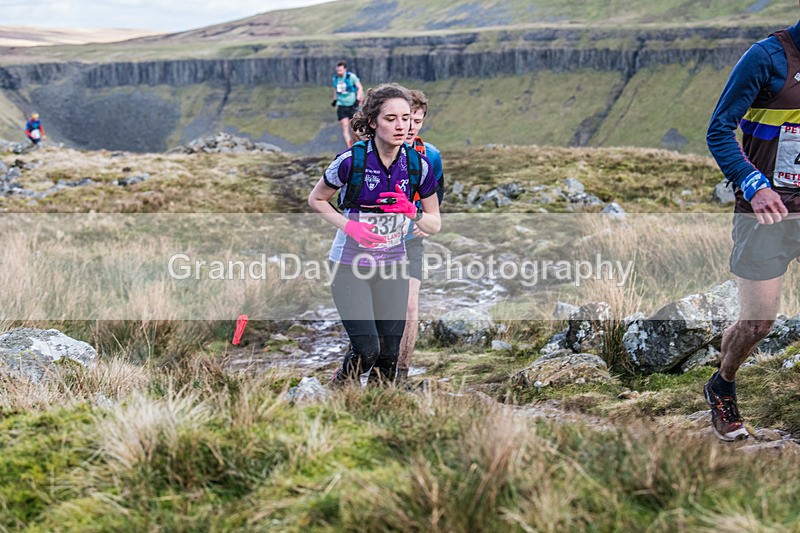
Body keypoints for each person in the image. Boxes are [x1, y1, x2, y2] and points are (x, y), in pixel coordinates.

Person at [705, 10, 800, 441]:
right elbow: (719, 130)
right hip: (767, 211)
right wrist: (753, 183)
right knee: (758, 324)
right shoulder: (766, 58)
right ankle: (722, 384)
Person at [309, 83, 441, 386]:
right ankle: (342, 386)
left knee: (388, 355)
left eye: (406, 118)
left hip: (394, 266)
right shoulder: (351, 161)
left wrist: (412, 211)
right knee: (368, 350)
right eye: (390, 118)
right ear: (372, 122)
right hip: (349, 266)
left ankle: (379, 409)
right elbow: (315, 199)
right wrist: (350, 226)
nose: (400, 125)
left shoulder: (417, 166)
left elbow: (435, 224)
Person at [396, 90, 445, 384]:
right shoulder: (379, 152)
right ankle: (358, 365)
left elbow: (438, 196)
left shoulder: (432, 156)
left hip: (413, 239)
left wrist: (425, 223)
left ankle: (402, 372)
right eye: (406, 119)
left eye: (417, 120)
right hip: (379, 242)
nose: (411, 126)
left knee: (411, 305)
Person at [331, 61, 364, 148]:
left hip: (352, 105)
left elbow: (359, 87)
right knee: (345, 127)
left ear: (345, 69)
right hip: (341, 105)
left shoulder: (351, 77)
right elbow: (335, 90)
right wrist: (334, 100)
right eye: (337, 70)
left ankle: (359, 145)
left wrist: (358, 98)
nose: (338, 72)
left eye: (340, 70)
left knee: (354, 130)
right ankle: (350, 148)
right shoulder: (335, 79)